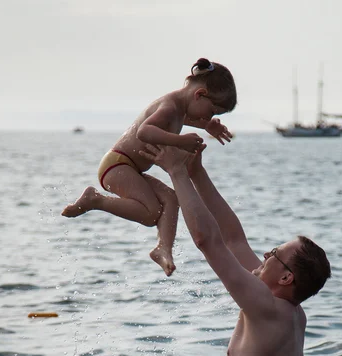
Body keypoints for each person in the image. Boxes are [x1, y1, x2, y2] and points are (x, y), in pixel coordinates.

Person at [139, 143, 331, 356]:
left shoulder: (265, 308)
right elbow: (232, 237)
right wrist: (197, 172)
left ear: (286, 278)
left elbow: (208, 241)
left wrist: (176, 173)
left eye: (274, 253)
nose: (264, 253)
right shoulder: (289, 313)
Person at [61, 58, 237, 277]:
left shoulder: (180, 109)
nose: (207, 117)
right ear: (199, 94)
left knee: (172, 199)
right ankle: (95, 200)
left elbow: (190, 119)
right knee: (150, 213)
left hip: (130, 167)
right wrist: (179, 141)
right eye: (211, 112)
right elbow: (144, 131)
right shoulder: (170, 107)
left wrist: (207, 125)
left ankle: (163, 249)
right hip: (117, 164)